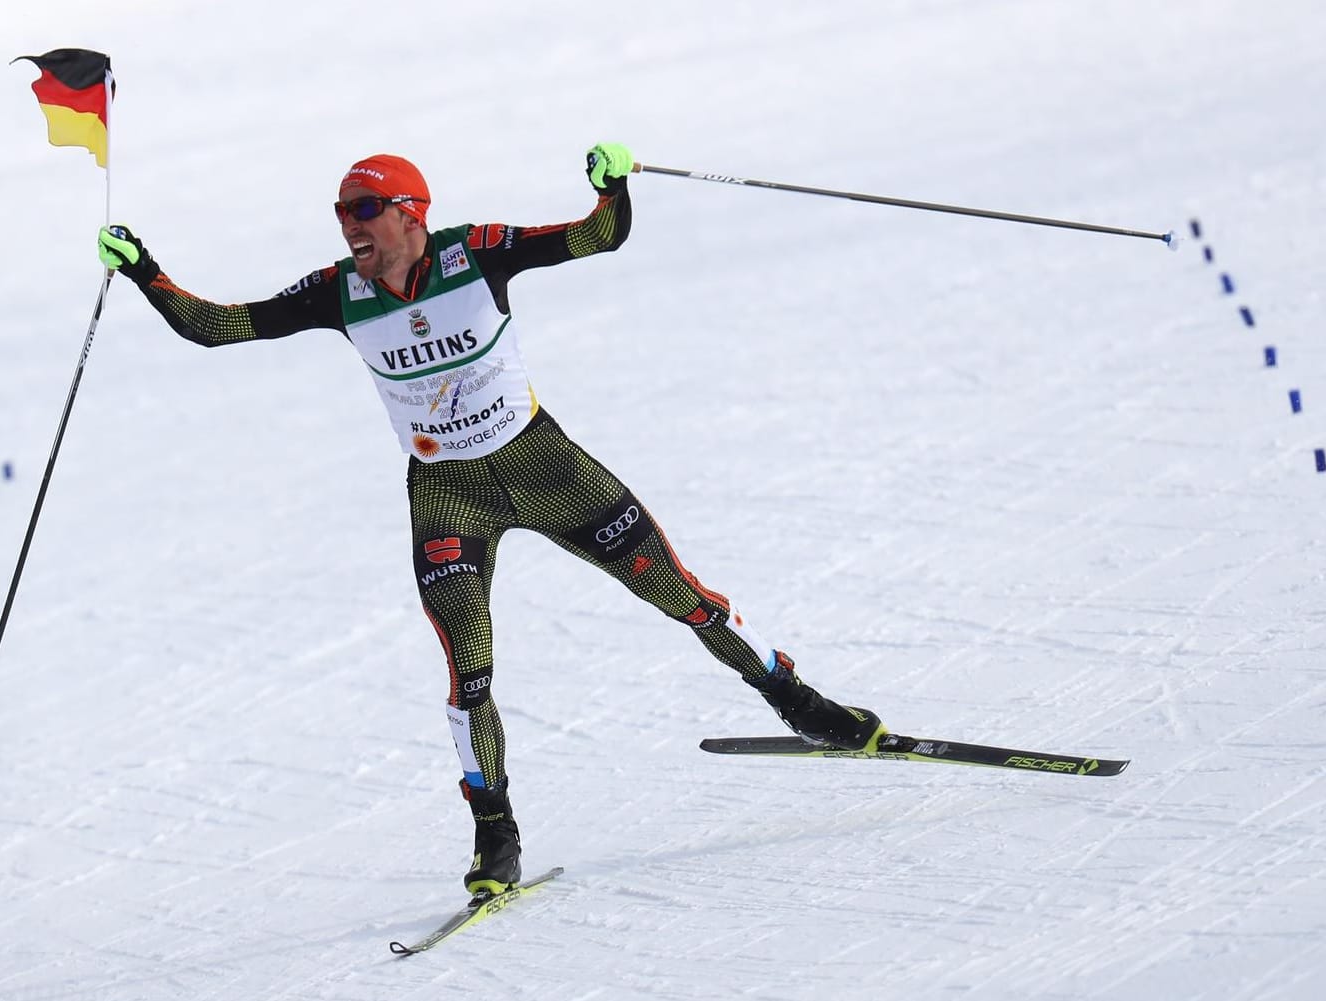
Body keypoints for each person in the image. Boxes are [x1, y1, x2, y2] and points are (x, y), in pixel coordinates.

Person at [95, 144, 884, 898]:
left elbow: (595, 237)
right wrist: (145, 272)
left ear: (411, 213)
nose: (348, 223)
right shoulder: (338, 291)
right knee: (468, 669)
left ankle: (796, 700)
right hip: (449, 496)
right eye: (341, 210)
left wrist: (612, 185)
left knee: (681, 595)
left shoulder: (472, 254)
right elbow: (219, 325)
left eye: (364, 208)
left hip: (547, 471)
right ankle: (494, 832)